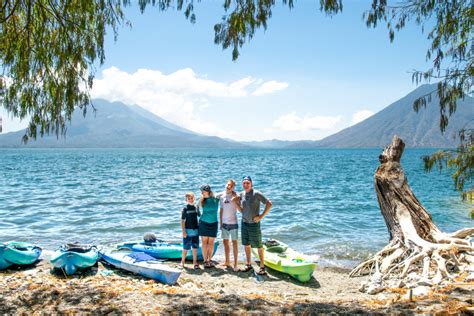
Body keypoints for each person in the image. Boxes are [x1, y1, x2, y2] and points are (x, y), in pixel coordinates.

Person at [233, 176, 272, 275]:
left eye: (247, 183)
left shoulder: (257, 193)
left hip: (254, 224)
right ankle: (248, 264)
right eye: (244, 183)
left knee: (259, 245)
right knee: (246, 244)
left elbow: (269, 203)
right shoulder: (241, 194)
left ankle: (262, 267)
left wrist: (261, 216)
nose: (246, 185)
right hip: (244, 223)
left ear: (251, 184)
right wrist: (236, 204)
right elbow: (239, 205)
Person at [219, 179, 239, 271]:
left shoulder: (235, 195)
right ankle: (227, 261)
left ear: (233, 187)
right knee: (225, 243)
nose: (229, 186)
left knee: (234, 243)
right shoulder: (222, 196)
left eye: (231, 185)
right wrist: (220, 223)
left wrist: (236, 197)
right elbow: (221, 210)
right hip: (224, 223)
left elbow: (240, 201)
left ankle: (235, 264)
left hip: (233, 223)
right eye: (228, 185)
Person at [198, 184, 220, 268]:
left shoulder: (216, 199)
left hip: (213, 223)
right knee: (204, 243)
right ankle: (205, 261)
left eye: (203, 191)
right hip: (203, 223)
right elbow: (196, 206)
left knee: (211, 243)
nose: (202, 193)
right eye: (202, 191)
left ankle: (209, 260)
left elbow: (225, 193)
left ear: (208, 191)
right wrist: (198, 213)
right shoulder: (202, 199)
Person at [181, 192, 200, 269]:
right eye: (189, 199)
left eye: (192, 198)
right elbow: (182, 220)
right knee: (185, 247)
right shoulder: (185, 208)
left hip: (196, 230)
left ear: (194, 198)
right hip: (188, 230)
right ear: (186, 200)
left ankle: (195, 262)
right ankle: (182, 262)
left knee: (195, 247)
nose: (191, 200)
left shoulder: (196, 207)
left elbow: (199, 216)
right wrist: (183, 231)